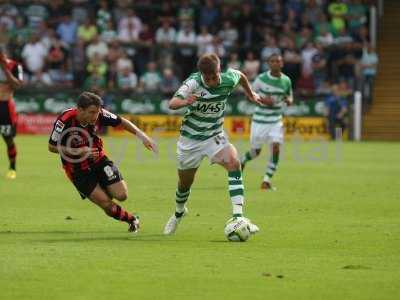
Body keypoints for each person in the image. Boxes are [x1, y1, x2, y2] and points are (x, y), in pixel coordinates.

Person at [163, 53, 263, 235]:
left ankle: (238, 217)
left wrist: (250, 94)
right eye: (207, 78)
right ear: (201, 74)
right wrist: (186, 101)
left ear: (219, 70)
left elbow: (240, 75)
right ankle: (179, 213)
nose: (211, 81)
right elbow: (172, 103)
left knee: (234, 163)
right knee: (184, 184)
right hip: (190, 141)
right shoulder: (193, 83)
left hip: (214, 136)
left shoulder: (228, 78)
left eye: (214, 76)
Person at [48, 92, 157, 232]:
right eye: (92, 112)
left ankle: (103, 188)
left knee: (122, 195)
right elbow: (51, 147)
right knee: (106, 204)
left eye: (97, 112)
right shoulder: (64, 120)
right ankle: (131, 219)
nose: (96, 116)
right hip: (77, 170)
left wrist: (143, 136)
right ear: (80, 110)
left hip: (99, 160)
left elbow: (122, 121)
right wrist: (78, 151)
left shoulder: (100, 114)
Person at [241, 53, 293, 190]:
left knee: (276, 148)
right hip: (259, 121)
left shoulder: (286, 80)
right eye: (273, 61)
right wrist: (264, 100)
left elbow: (290, 96)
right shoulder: (261, 79)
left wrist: (289, 101)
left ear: (282, 64)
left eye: (278, 61)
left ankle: (266, 180)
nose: (276, 63)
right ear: (269, 63)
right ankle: (242, 161)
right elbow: (248, 95)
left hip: (276, 121)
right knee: (255, 152)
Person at [0, 51, 23, 179]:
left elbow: (17, 85)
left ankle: (12, 168)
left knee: (8, 139)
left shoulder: (14, 66)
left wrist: (5, 70)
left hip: (5, 107)